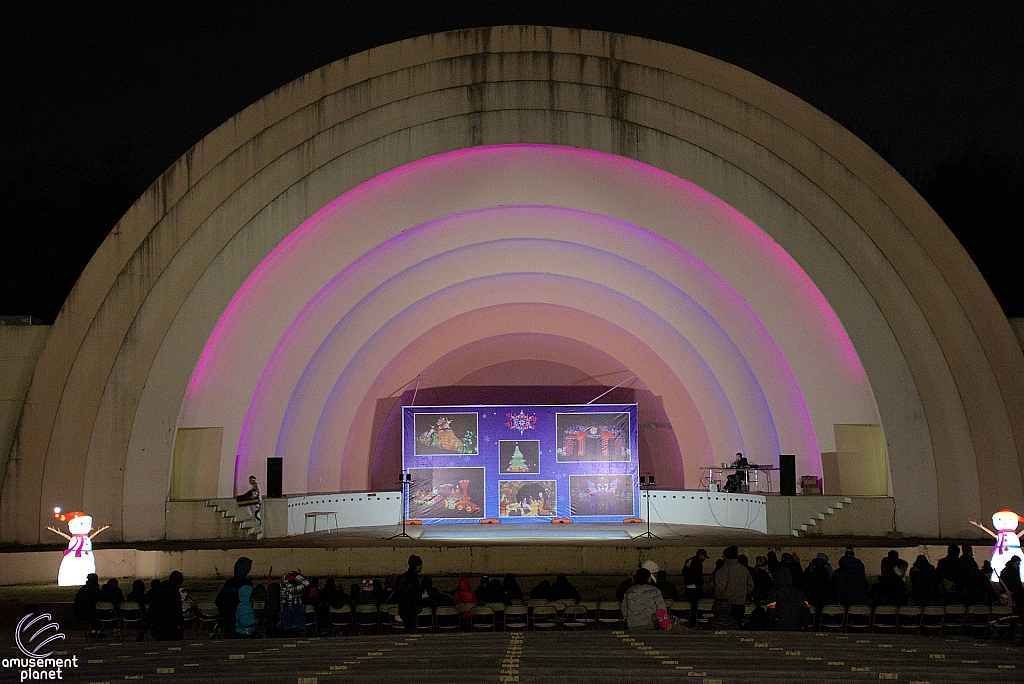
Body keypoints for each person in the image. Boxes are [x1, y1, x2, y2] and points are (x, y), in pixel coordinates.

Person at [215, 556, 253, 637]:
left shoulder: (229, 583)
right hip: (240, 618)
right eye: (249, 567)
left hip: (228, 616)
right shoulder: (247, 584)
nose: (250, 569)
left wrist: (224, 613)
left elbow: (218, 600)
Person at [766, 566, 810, 631]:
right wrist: (804, 625)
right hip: (797, 626)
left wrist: (770, 624)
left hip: (779, 626)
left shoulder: (774, 592)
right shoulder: (798, 592)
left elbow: (771, 612)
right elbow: (806, 610)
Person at [714, 546, 753, 620]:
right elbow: (750, 585)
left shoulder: (723, 570)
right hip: (740, 603)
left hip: (725, 603)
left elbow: (720, 587)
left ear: (726, 557)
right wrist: (742, 594)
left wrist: (720, 597)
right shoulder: (744, 569)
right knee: (737, 624)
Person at [150, 571, 185, 640]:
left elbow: (152, 607)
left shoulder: (159, 590)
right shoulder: (175, 593)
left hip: (157, 623)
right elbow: (177, 610)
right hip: (170, 625)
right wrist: (180, 623)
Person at [397, 555, 424, 634]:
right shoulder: (414, 579)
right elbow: (415, 593)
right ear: (415, 566)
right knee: (412, 631)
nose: (421, 567)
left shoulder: (405, 577)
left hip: (405, 610)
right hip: (411, 611)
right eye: (419, 565)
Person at [682, 549, 708, 626]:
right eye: (704, 557)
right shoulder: (698, 562)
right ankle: (693, 623)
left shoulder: (689, 560)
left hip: (688, 587)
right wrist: (698, 584)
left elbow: (683, 572)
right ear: (701, 555)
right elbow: (698, 575)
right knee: (695, 607)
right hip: (695, 588)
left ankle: (690, 622)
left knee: (689, 606)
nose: (704, 559)